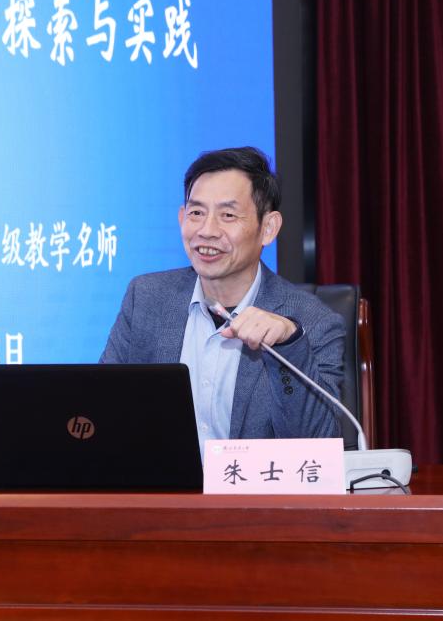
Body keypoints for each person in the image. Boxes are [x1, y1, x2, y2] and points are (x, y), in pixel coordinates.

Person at [100, 147, 345, 451]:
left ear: (268, 228)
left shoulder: (313, 323)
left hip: (252, 484)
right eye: (196, 213)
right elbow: (103, 407)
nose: (207, 231)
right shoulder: (146, 298)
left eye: (228, 215)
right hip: (163, 483)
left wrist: (288, 344)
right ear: (182, 218)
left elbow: (319, 447)